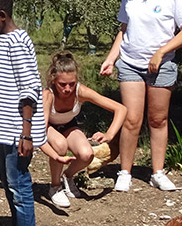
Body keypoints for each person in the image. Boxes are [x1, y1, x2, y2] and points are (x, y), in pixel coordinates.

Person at [99, 0, 182, 192]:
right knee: (132, 119)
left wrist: (161, 52)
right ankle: (125, 172)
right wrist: (112, 58)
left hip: (161, 66)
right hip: (131, 62)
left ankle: (158, 172)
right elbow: (124, 29)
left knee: (158, 119)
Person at [0, 0, 45, 226]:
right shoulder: (3, 40)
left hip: (18, 131)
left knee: (18, 184)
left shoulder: (16, 43)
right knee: (8, 181)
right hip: (7, 130)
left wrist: (26, 133)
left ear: (2, 15)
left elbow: (29, 89)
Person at [40, 51, 127, 207]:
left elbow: (120, 109)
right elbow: (41, 127)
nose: (67, 88)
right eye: (62, 84)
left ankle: (68, 176)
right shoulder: (48, 95)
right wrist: (52, 152)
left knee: (87, 154)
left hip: (68, 124)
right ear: (54, 80)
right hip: (47, 126)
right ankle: (54, 186)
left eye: (72, 83)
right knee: (60, 144)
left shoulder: (80, 91)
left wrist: (109, 134)